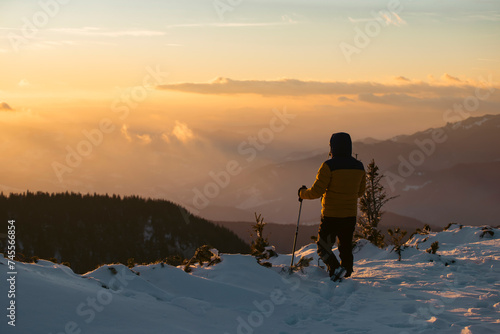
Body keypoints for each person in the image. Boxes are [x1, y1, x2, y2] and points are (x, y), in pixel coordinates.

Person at [298, 132, 366, 281]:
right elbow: (360, 192)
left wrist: (302, 193)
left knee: (323, 247)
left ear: (332, 147)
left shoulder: (328, 166)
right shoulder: (359, 167)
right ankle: (346, 271)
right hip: (350, 216)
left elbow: (316, 192)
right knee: (345, 246)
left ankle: (335, 269)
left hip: (331, 216)